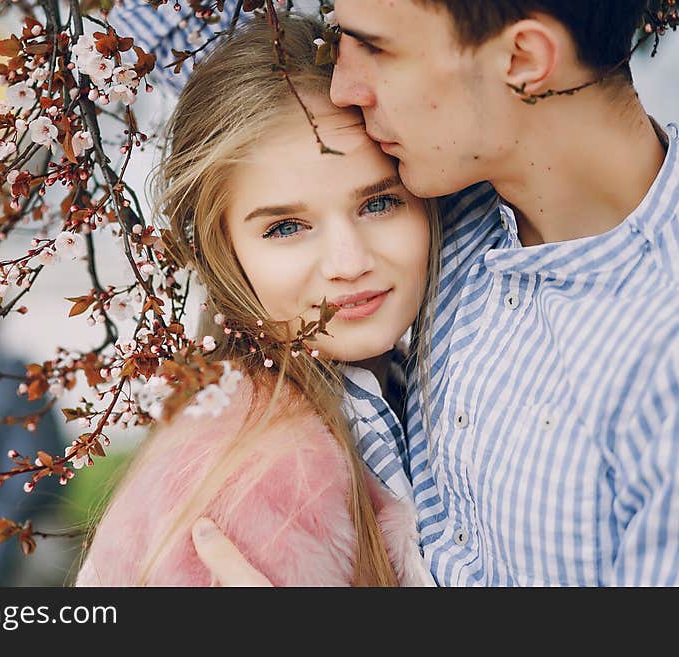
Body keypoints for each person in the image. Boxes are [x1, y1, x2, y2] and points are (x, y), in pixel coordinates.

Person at [192, 0, 679, 586]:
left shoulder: (661, 366)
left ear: (522, 59)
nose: (342, 87)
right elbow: (246, 112)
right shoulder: (446, 197)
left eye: (374, 47)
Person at [73, 14, 438, 586]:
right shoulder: (262, 487)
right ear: (223, 250)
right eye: (286, 227)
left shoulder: (400, 395)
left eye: (378, 204)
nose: (349, 262)